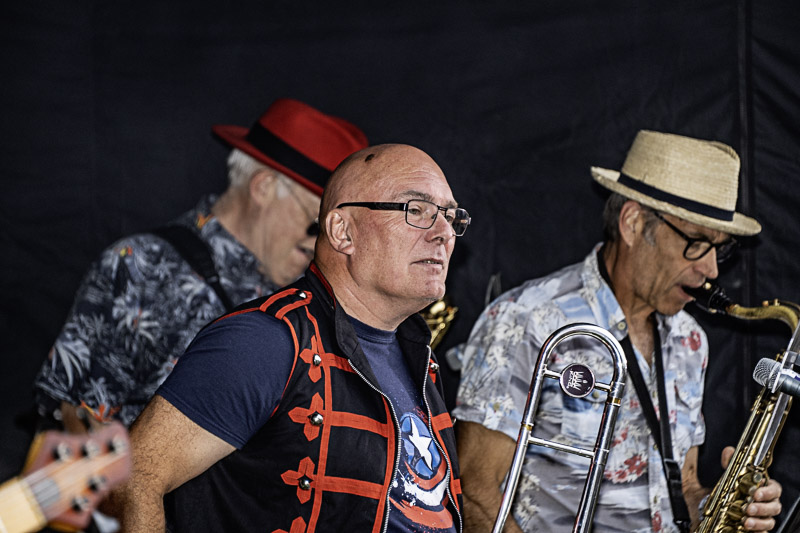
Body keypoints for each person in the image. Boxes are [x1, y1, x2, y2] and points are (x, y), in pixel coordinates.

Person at [112, 144, 470, 532]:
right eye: (417, 210)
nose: (443, 233)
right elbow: (134, 476)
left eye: (451, 217)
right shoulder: (264, 342)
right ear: (342, 232)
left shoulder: (418, 356)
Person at [453, 130, 783, 533]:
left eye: (720, 248)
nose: (711, 269)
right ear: (632, 223)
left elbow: (683, 487)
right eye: (696, 242)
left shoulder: (690, 339)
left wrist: (726, 506)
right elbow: (474, 489)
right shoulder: (528, 320)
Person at [33, 98, 369, 431]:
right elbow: (72, 418)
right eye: (315, 223)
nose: (322, 243)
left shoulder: (316, 289)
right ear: (264, 187)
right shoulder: (143, 266)